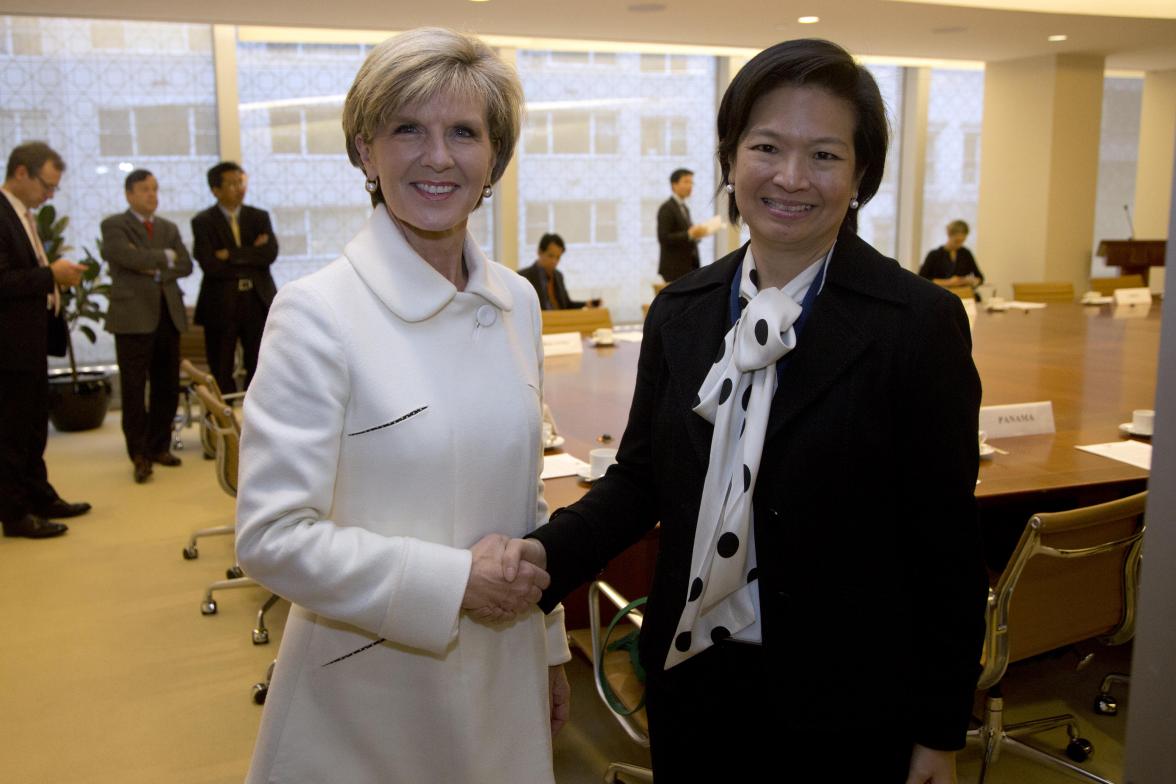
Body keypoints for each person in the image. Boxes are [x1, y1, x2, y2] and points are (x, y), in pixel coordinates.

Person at [521, 39, 988, 783]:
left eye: (826, 156)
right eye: (767, 147)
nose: (792, 178)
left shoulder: (916, 323)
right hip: (694, 683)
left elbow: (945, 547)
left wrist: (940, 726)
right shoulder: (682, 310)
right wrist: (541, 559)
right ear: (731, 159)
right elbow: (642, 479)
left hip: (852, 704)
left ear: (861, 175)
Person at [234, 28, 569, 784]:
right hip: (371, 691)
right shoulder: (315, 313)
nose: (439, 156)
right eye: (407, 129)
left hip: (504, 665)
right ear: (365, 150)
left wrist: (550, 650)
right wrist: (453, 582)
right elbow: (271, 535)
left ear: (495, 158)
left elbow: (526, 502)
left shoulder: (516, 300)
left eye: (464, 133)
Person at [0, 142, 89, 539]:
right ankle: (15, 513)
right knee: (11, 433)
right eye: (46, 186)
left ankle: (39, 495)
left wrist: (54, 277)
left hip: (28, 341)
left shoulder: (24, 215)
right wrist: (51, 274)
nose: (49, 195)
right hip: (8, 345)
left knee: (33, 427)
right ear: (21, 173)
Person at [101, 169, 193, 484]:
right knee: (134, 388)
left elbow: (185, 264)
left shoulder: (167, 227)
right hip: (132, 319)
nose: (152, 195)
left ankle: (159, 446)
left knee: (166, 386)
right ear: (129, 194)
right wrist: (162, 259)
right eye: (144, 190)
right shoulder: (114, 225)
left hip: (168, 316)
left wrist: (155, 267)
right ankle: (138, 454)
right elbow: (124, 257)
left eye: (155, 189)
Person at [190, 161, 278, 394]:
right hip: (221, 303)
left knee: (260, 364)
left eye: (241, 182)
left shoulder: (259, 217)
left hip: (256, 301)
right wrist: (251, 253)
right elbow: (210, 265)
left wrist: (229, 254)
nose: (239, 188)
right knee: (221, 366)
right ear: (215, 190)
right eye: (231, 184)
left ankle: (256, 419)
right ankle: (223, 420)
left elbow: (269, 254)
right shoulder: (203, 222)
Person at [657, 167, 707, 282]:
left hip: (688, 266)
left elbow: (687, 235)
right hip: (674, 268)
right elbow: (664, 237)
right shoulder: (667, 208)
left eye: (691, 182)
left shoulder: (684, 208)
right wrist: (689, 234)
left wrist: (696, 234)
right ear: (674, 185)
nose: (690, 186)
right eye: (686, 182)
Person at [517, 233, 592, 310]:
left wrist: (586, 304)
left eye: (558, 257)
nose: (554, 261)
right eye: (551, 256)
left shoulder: (558, 276)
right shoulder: (523, 277)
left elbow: (567, 305)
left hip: (560, 321)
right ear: (539, 252)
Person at [919, 219, 984, 288]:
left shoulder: (966, 254)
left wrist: (970, 281)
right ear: (949, 234)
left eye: (962, 241)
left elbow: (980, 278)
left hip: (963, 294)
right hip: (940, 294)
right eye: (957, 241)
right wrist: (949, 282)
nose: (959, 244)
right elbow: (922, 279)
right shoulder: (934, 255)